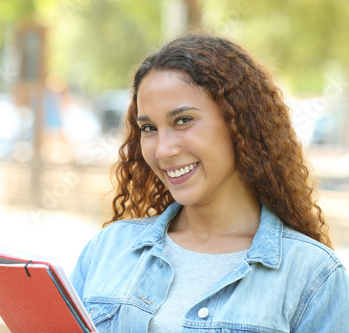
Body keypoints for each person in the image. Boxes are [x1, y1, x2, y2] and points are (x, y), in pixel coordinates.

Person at [70, 33, 349, 332]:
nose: (163, 150)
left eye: (183, 120)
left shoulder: (313, 274)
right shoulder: (107, 249)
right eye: (149, 128)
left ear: (239, 121)